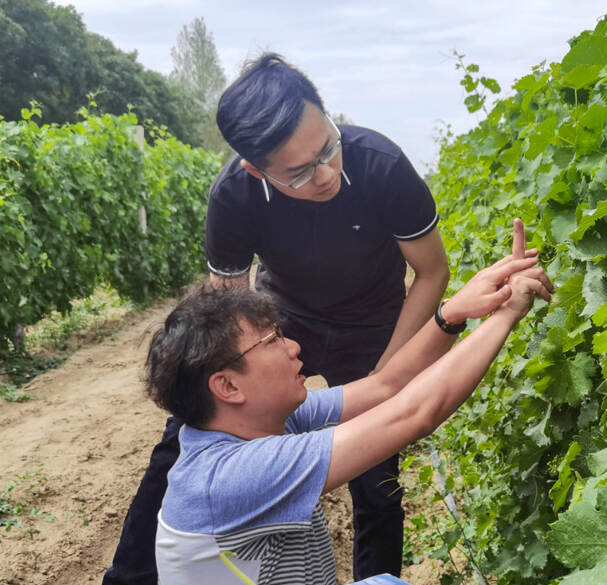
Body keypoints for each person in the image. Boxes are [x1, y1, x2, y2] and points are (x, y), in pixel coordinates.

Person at [103, 53, 449, 584]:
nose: (327, 173)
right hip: (286, 318)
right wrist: (246, 381)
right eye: (300, 172)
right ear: (255, 168)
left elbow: (431, 273)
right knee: (189, 432)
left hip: (374, 323)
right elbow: (225, 318)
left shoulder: (381, 165)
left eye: (328, 147)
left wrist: (385, 375)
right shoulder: (234, 197)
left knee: (377, 472)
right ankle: (127, 578)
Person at [151, 220, 553, 584]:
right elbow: (413, 413)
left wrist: (452, 312)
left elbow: (385, 386)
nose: (292, 346)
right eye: (272, 340)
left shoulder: (264, 422)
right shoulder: (230, 478)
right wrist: (505, 316)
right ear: (228, 387)